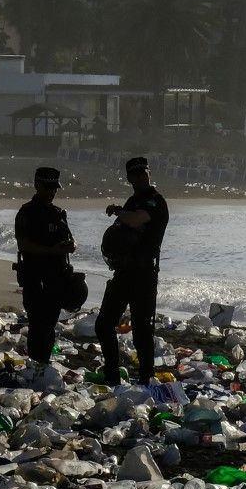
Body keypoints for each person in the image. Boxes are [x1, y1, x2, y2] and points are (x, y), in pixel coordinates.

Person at [96, 155, 169, 385]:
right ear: (129, 177)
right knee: (104, 324)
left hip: (144, 273)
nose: (140, 177)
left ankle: (146, 378)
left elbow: (137, 221)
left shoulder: (156, 201)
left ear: (149, 173)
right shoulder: (131, 201)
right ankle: (112, 374)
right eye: (135, 174)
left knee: (141, 329)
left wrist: (119, 212)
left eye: (143, 173)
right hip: (124, 271)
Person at [14, 166, 76, 363]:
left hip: (56, 277)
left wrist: (70, 246)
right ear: (37, 185)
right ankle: (35, 362)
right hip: (35, 276)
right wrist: (52, 251)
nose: (52, 192)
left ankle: (44, 361)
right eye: (48, 188)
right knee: (37, 324)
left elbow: (70, 240)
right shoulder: (27, 213)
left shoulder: (58, 213)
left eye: (54, 188)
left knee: (49, 325)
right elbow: (24, 244)